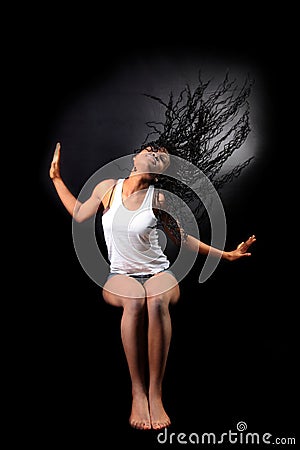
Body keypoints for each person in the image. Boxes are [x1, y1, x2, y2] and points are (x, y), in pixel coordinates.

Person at [49, 141, 256, 431]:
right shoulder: (108, 188)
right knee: (135, 300)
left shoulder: (159, 200)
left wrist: (227, 255)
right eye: (152, 150)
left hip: (158, 272)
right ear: (136, 157)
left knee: (155, 299)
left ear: (160, 173)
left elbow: (183, 240)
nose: (157, 156)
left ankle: (156, 393)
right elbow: (80, 213)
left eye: (163, 158)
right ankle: (137, 391)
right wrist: (57, 179)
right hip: (120, 275)